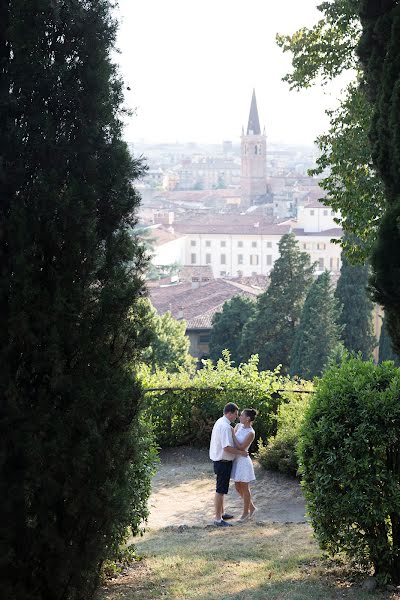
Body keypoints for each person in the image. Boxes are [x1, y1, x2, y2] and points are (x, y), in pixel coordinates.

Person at [209, 402, 249, 527]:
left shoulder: (220, 422)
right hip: (223, 462)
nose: (236, 417)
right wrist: (240, 452)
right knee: (220, 490)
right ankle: (218, 519)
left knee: (222, 489)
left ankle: (222, 513)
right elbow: (226, 447)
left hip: (220, 461)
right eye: (236, 414)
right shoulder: (225, 427)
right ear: (230, 413)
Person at [231, 408, 258, 521]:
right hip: (236, 459)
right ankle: (251, 507)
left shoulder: (251, 433)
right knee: (237, 486)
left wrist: (232, 434)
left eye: (242, 415)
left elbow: (241, 447)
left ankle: (245, 513)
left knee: (244, 487)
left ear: (247, 418)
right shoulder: (238, 426)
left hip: (244, 461)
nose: (239, 417)